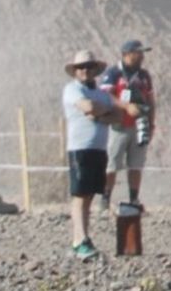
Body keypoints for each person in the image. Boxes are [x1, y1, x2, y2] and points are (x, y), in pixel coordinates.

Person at [61, 49, 124, 261]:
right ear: (75, 71)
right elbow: (87, 106)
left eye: (88, 66)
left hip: (98, 148)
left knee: (88, 196)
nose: (84, 71)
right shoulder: (72, 90)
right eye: (81, 67)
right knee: (80, 195)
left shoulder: (101, 94)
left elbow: (117, 114)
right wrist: (100, 110)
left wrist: (98, 114)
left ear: (95, 69)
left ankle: (78, 240)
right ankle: (82, 240)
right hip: (81, 148)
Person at [99, 38, 156, 209]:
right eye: (138, 53)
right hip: (118, 125)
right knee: (112, 163)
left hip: (140, 124)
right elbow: (106, 96)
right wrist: (125, 106)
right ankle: (105, 197)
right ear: (126, 54)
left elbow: (151, 100)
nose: (141, 57)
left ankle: (134, 198)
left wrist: (151, 123)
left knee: (136, 164)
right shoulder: (113, 73)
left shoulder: (144, 75)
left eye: (142, 54)